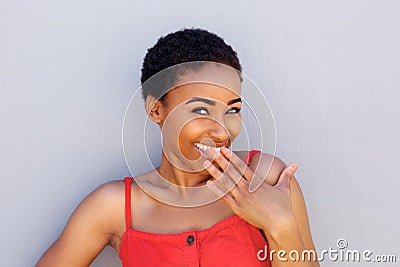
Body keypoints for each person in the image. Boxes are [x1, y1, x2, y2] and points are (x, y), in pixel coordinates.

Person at [36, 28, 319, 267]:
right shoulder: (113, 208)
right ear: (156, 110)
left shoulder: (268, 180)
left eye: (232, 110)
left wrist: (281, 225)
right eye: (200, 110)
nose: (222, 131)